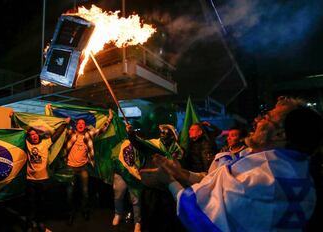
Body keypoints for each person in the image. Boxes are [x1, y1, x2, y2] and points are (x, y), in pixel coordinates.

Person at [146, 96, 323, 231]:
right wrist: (180, 173)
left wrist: (169, 181)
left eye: (266, 118)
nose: (257, 120)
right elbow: (211, 180)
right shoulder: (298, 174)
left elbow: (199, 215)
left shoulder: (261, 180)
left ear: (280, 135)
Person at [127, 123, 184, 232]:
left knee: (167, 216)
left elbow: (179, 167)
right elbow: (138, 143)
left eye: (164, 133)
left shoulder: (178, 150)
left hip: (168, 187)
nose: (161, 134)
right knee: (150, 215)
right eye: (161, 132)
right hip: (152, 186)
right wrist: (131, 134)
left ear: (172, 136)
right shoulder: (154, 144)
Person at [64, 108, 113, 225]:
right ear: (76, 125)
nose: (81, 125)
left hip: (83, 168)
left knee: (85, 192)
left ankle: (85, 211)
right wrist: (51, 110)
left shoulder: (89, 134)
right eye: (79, 123)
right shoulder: (70, 133)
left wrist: (110, 118)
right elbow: (56, 127)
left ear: (85, 125)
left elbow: (103, 129)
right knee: (69, 194)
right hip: (70, 168)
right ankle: (70, 213)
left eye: (83, 123)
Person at [24, 117, 69, 232]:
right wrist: (13, 118)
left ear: (39, 134)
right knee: (30, 204)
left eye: (35, 134)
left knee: (42, 204)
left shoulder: (46, 142)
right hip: (30, 180)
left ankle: (41, 223)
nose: (34, 136)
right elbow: (18, 132)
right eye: (31, 134)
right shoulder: (27, 143)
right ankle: (30, 224)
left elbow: (57, 134)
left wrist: (64, 124)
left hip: (43, 180)